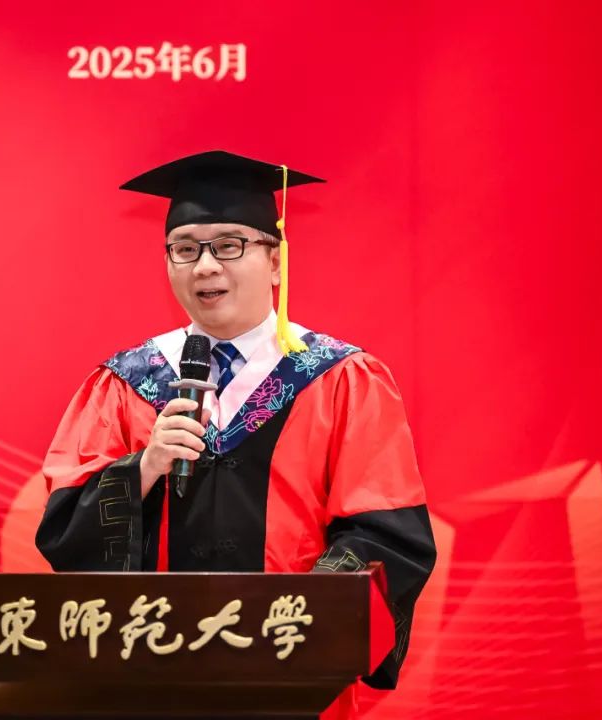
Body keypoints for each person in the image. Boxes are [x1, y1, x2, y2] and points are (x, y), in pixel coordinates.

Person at [35, 150, 436, 688]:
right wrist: (143, 469)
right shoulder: (126, 381)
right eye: (184, 249)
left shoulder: (340, 378)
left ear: (276, 262)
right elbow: (65, 531)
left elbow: (387, 535)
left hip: (290, 666)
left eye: (229, 245)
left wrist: (306, 618)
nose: (204, 266)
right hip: (153, 674)